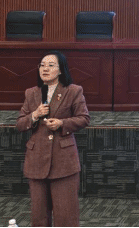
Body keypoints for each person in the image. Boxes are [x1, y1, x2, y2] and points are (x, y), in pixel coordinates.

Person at [16, 51, 90, 227]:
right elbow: (20, 124)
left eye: (50, 65)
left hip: (63, 160)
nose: (45, 69)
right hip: (36, 159)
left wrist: (62, 123)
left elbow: (84, 118)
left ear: (60, 70)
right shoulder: (31, 93)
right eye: (42, 65)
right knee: (39, 216)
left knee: (66, 215)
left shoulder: (73, 91)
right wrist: (34, 115)